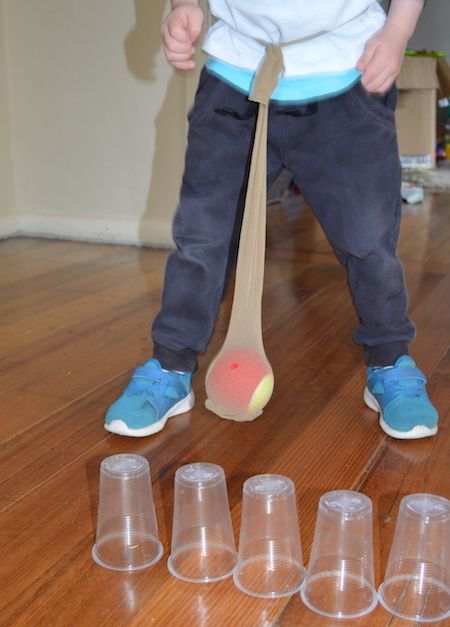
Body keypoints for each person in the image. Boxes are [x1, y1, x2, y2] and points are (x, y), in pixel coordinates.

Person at [105, 0, 438, 439]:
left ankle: (390, 359)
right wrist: (183, 5)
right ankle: (171, 364)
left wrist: (397, 31)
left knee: (368, 238)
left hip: (348, 73)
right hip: (234, 75)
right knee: (202, 238)